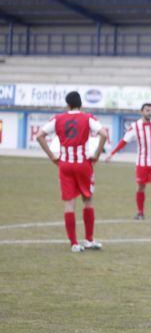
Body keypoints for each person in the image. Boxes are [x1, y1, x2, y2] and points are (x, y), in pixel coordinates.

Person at [36, 91, 108, 252]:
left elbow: (40, 135)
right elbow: (104, 133)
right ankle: (89, 240)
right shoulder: (87, 117)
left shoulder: (58, 119)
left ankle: (74, 244)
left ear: (67, 104)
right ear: (80, 104)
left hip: (65, 164)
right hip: (83, 164)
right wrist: (96, 153)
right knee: (87, 200)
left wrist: (51, 156)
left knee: (69, 203)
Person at [105, 103, 151, 220]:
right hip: (142, 162)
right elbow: (124, 141)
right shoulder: (135, 126)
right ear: (141, 112)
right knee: (141, 187)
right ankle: (140, 213)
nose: (149, 113)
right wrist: (111, 154)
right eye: (147, 110)